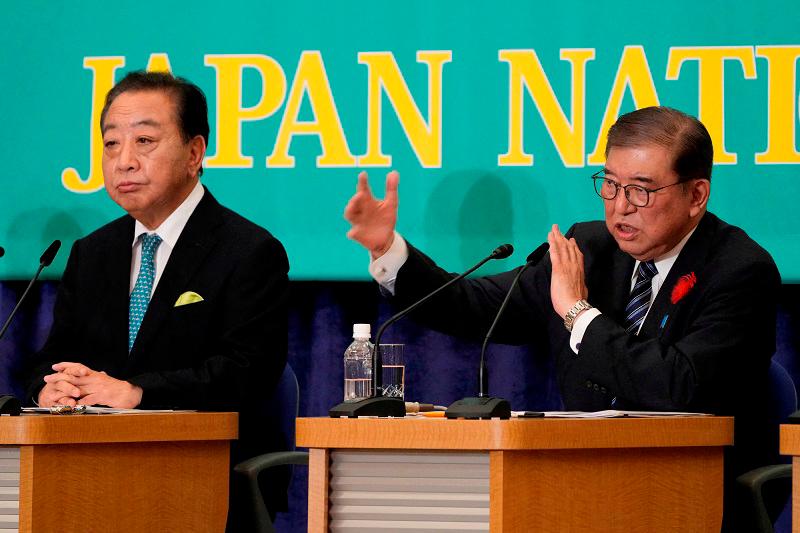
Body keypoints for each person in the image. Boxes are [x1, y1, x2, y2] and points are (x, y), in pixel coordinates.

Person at [344, 106, 780, 531]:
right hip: (581, 486)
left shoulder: (739, 271)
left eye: (641, 190)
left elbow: (678, 388)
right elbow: (474, 307)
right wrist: (389, 251)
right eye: (610, 184)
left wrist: (578, 312)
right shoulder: (589, 248)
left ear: (696, 195)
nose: (620, 207)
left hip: (692, 495)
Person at [24, 71, 289, 529]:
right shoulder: (92, 253)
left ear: (194, 152)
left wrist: (139, 393)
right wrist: (50, 387)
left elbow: (247, 373)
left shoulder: (248, 251)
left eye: (144, 140)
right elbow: (55, 356)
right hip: (87, 477)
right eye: (111, 144)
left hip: (203, 480)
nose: (123, 161)